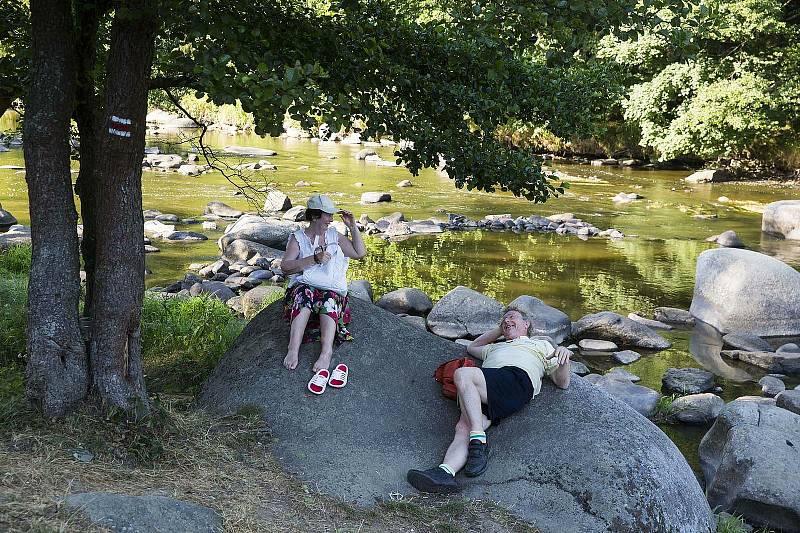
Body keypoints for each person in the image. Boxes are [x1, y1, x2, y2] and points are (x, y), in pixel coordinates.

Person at [406, 309, 573, 493]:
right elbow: (472, 347)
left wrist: (564, 357)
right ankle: (445, 473)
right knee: (463, 429)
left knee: (462, 374)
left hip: (516, 380)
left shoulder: (540, 345)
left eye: (512, 317)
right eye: (504, 319)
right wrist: (501, 330)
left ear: (527, 324)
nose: (507, 320)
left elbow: (562, 383)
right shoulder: (494, 347)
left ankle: (479, 439)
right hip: (487, 389)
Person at [280, 194, 366, 372]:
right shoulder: (298, 238)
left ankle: (326, 353)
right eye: (327, 214)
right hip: (304, 289)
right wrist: (314, 259)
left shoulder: (335, 236)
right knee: (304, 292)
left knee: (330, 298)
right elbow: (286, 268)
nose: (331, 219)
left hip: (330, 288)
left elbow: (359, 253)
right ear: (314, 216)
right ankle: (293, 349)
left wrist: (352, 227)